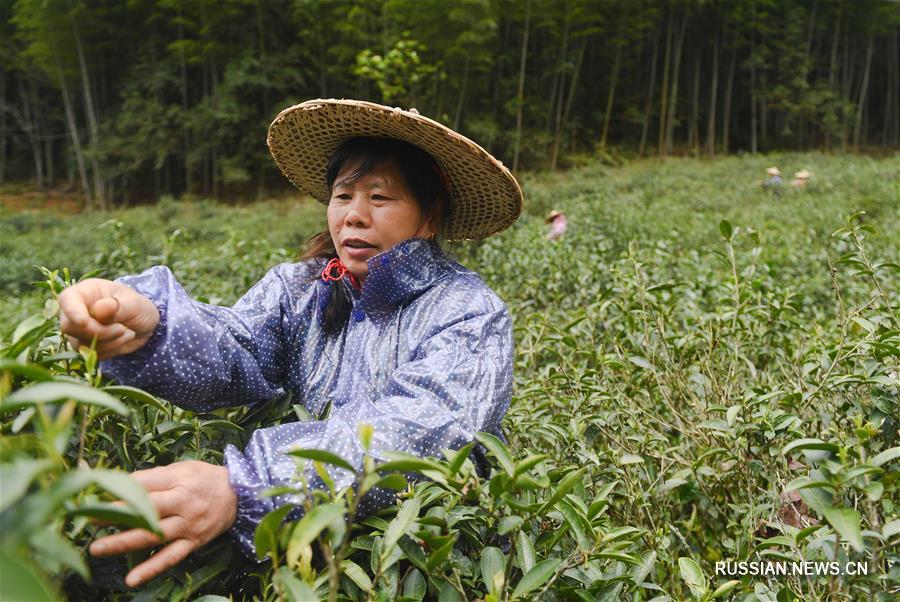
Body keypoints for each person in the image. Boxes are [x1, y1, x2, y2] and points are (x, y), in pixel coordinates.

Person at [58, 99, 523, 587]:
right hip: (307, 549)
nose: (354, 217)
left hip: (426, 561)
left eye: (380, 199)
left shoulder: (467, 309)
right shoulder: (301, 288)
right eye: (343, 196)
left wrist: (252, 486)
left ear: (429, 217)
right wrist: (152, 324)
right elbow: (235, 350)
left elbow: (424, 432)